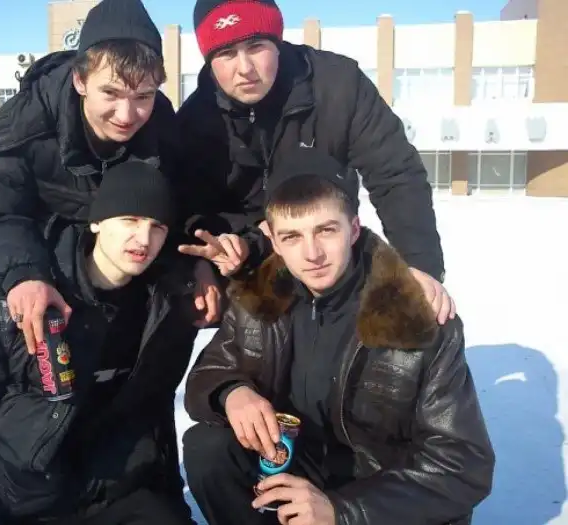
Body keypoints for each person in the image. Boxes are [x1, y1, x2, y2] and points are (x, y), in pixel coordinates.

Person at [182, 148, 495, 525]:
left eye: (326, 230)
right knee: (208, 448)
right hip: (300, 464)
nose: (312, 253)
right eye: (292, 237)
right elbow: (208, 373)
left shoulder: (416, 313)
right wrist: (232, 392)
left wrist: (342, 511)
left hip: (380, 497)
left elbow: (462, 465)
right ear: (275, 244)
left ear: (354, 229)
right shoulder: (258, 297)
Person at [0, 161, 198, 525]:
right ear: (97, 222)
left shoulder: (162, 310)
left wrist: (170, 505)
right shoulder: (24, 302)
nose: (144, 239)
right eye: (130, 220)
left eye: (157, 226)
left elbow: (156, 410)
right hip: (32, 502)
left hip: (123, 492)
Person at [0, 0, 221, 358]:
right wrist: (24, 275)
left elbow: (180, 208)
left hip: (130, 303)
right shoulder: (22, 128)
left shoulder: (165, 131)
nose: (127, 115)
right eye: (110, 93)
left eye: (143, 96)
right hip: (48, 294)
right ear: (80, 80)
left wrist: (196, 263)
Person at [176, 0, 455, 325]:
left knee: (419, 312)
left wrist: (419, 266)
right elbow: (188, 204)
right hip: (249, 253)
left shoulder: (339, 86)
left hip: (330, 244)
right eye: (226, 54)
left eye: (256, 47)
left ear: (278, 42)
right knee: (183, 304)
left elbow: (395, 174)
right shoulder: (196, 119)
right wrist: (198, 264)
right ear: (210, 61)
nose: (245, 68)